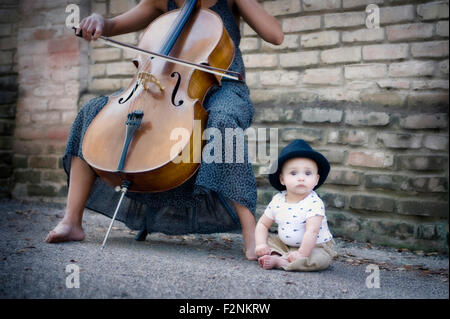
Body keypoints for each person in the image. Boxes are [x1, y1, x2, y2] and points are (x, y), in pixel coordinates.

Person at [45, 0, 284, 261]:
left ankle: (252, 236)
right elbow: (113, 25)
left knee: (223, 121)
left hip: (224, 88)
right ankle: (71, 221)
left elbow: (276, 36)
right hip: (164, 88)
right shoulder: (159, 1)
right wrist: (101, 23)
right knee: (92, 110)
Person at [254, 139, 337, 271]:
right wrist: (260, 244)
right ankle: (279, 255)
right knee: (267, 242)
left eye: (308, 173)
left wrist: (301, 254)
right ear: (282, 179)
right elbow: (263, 224)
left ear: (316, 179)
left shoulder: (314, 202)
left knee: (319, 259)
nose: (301, 178)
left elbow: (312, 231)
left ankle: (282, 261)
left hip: (314, 246)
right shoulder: (278, 200)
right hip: (285, 244)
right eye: (293, 173)